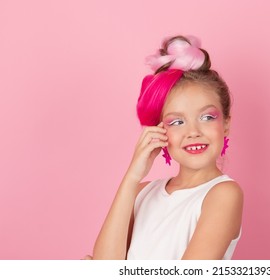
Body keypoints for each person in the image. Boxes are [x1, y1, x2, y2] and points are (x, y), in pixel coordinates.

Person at [86, 35, 243, 260]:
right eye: (177, 122)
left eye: (207, 117)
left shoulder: (223, 194)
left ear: (225, 124)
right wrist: (132, 176)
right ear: (159, 131)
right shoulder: (141, 192)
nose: (193, 131)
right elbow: (105, 265)